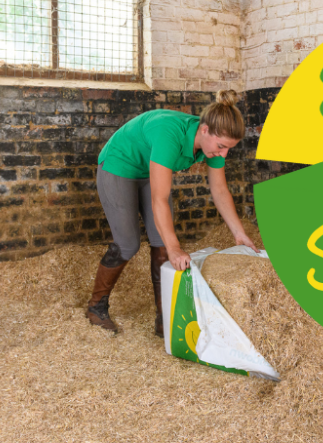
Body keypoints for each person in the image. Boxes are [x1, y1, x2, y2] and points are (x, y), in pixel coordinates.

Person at [86, 89, 258, 336]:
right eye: (221, 146)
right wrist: (176, 247)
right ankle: (96, 307)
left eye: (229, 148)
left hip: (147, 168)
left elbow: (219, 190)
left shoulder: (214, 145)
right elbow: (159, 198)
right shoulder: (169, 134)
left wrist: (239, 233)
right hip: (119, 165)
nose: (224, 154)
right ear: (205, 129)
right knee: (128, 244)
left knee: (162, 244)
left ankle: (163, 315)